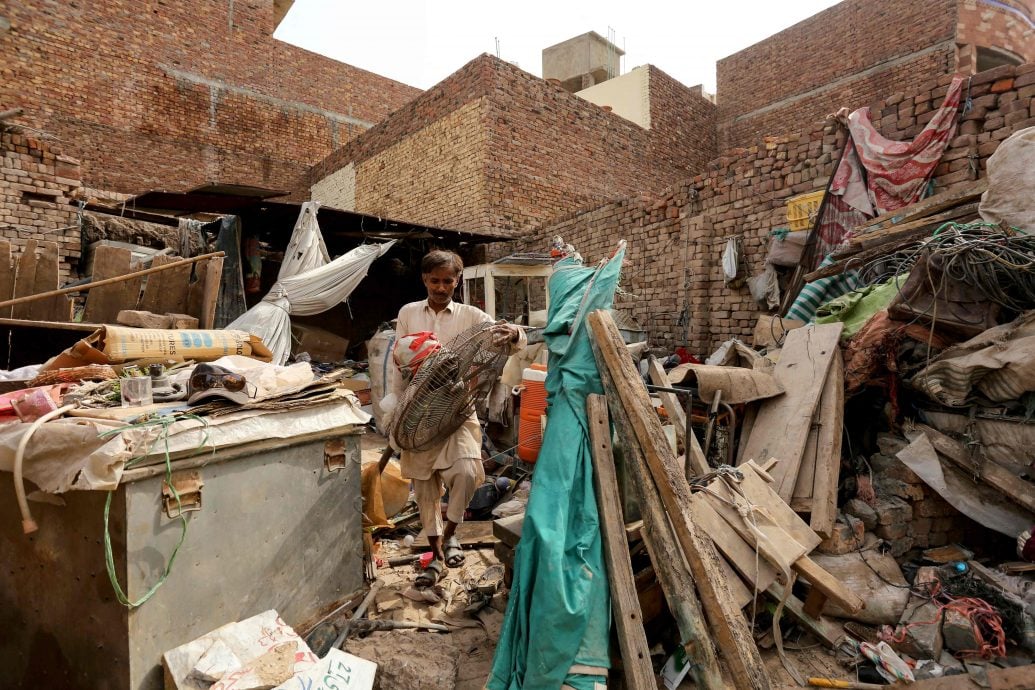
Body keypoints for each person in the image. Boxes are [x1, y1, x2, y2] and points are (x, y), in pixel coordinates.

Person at [387, 250, 526, 588]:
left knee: (466, 472)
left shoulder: (472, 315)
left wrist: (515, 335)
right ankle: (435, 555)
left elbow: (509, 339)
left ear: (457, 281)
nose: (441, 287)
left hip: (458, 408)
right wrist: (392, 409)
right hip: (417, 412)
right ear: (424, 280)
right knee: (424, 488)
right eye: (434, 280)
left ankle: (452, 533)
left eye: (448, 280)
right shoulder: (408, 313)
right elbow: (398, 361)